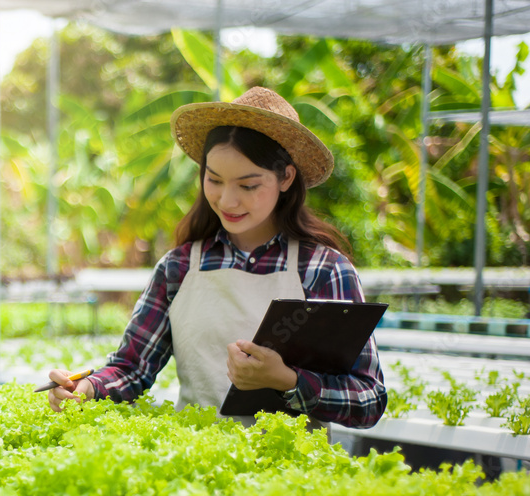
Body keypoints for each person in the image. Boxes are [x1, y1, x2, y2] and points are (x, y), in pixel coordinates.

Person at [46, 86, 387, 430]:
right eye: (214, 180)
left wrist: (288, 380)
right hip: (195, 472)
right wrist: (86, 388)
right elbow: (132, 367)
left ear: (286, 178)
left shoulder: (323, 270)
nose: (227, 200)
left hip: (289, 476)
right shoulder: (178, 267)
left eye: (248, 185)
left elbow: (369, 398)